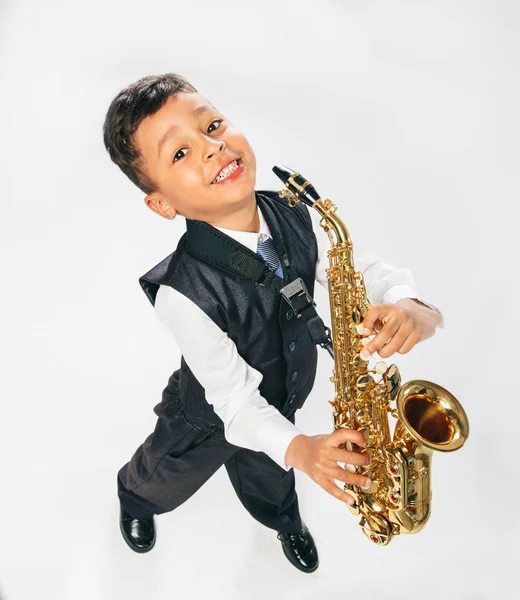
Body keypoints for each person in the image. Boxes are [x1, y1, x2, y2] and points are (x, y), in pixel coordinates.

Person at [101, 73, 444, 573]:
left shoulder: (297, 214)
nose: (213, 148)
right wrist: (302, 449)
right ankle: (135, 498)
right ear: (161, 204)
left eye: (213, 125)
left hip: (282, 403)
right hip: (207, 414)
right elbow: (236, 403)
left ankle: (283, 521)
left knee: (273, 473)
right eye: (179, 154)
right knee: (166, 471)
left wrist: (409, 303)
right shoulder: (180, 293)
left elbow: (363, 269)